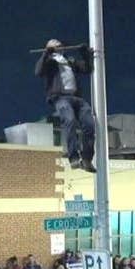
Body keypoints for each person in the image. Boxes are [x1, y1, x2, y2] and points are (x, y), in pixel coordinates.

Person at [35, 39, 96, 173]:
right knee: (69, 120)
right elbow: (39, 71)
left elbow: (87, 69)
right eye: (55, 46)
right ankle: (73, 157)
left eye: (60, 45)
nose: (59, 47)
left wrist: (85, 53)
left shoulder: (69, 60)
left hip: (77, 98)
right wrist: (46, 54)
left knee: (89, 125)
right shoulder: (50, 62)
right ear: (49, 48)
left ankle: (87, 159)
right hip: (61, 98)